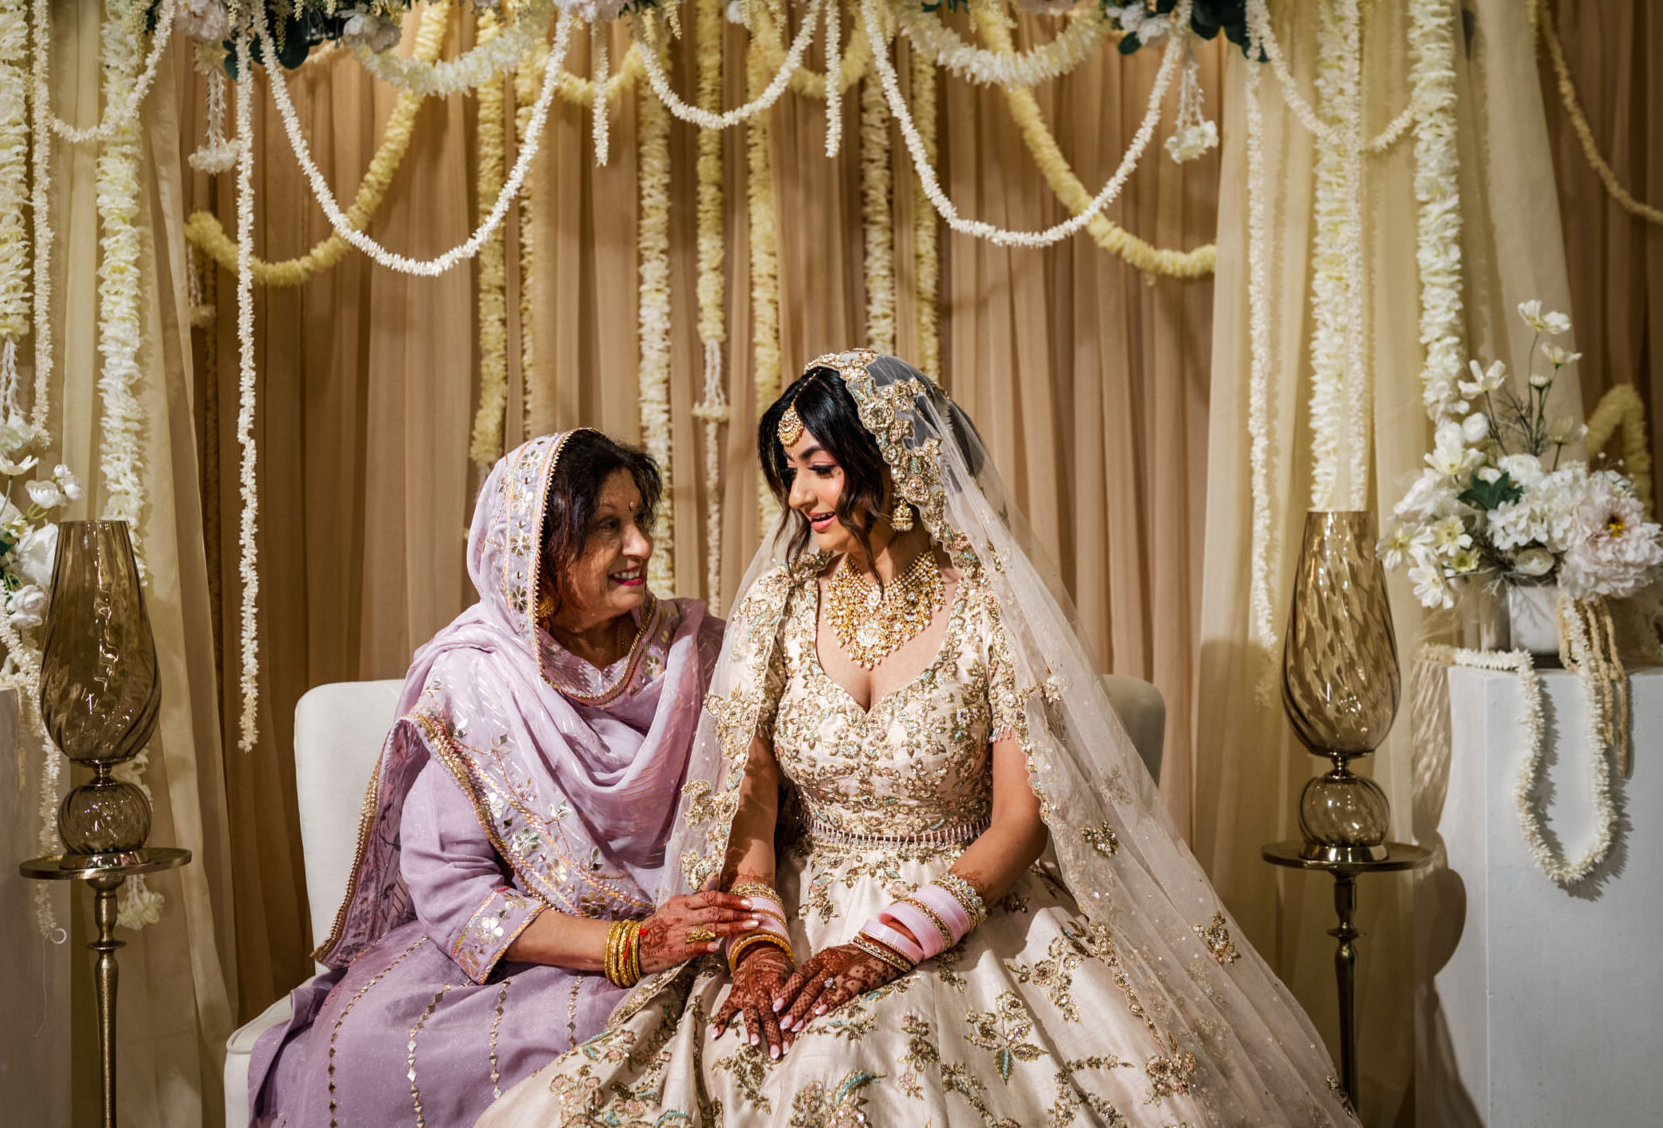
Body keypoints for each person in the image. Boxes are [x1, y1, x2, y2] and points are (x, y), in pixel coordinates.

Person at [479, 353, 1357, 1126]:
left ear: (891, 465)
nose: (799, 497)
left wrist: (884, 944)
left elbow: (1022, 817)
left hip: (970, 906)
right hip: (798, 902)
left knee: (853, 1062)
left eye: (819, 468)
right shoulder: (783, 604)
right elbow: (747, 798)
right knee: (753, 1051)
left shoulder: (988, 606)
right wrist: (755, 948)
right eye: (790, 472)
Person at [248, 430, 753, 1128]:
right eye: (608, 527)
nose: (639, 546)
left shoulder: (698, 651)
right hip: (537, 949)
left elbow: (765, 805)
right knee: (367, 1055)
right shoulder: (475, 678)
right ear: (534, 551)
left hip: (697, 939)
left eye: (639, 521)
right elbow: (453, 888)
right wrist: (626, 947)